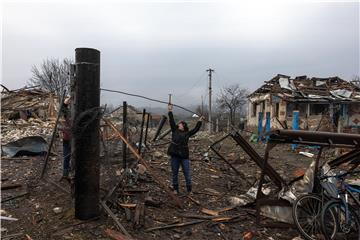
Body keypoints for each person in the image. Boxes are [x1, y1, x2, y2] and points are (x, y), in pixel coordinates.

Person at [167, 103, 204, 195]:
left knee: (187, 174)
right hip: (175, 155)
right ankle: (175, 189)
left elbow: (195, 129)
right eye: (178, 123)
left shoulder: (187, 133)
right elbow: (171, 120)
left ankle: (189, 190)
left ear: (183, 126)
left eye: (180, 124)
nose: (178, 124)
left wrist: (200, 121)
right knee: (174, 173)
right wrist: (170, 110)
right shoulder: (174, 131)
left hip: (184, 156)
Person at [59, 97, 71, 178]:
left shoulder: (76, 113)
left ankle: (72, 173)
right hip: (67, 139)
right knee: (66, 157)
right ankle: (65, 175)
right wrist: (65, 103)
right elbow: (62, 111)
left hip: (75, 139)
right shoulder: (68, 113)